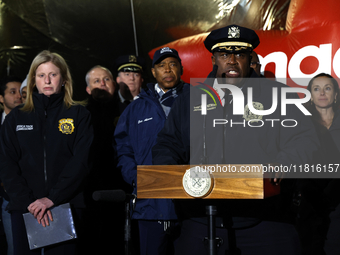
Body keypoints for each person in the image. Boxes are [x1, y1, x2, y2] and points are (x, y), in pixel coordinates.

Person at [152, 25, 319, 255]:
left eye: (239, 54)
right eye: (224, 54)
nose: (232, 61)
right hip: (198, 221)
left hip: (264, 222)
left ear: (249, 58)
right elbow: (167, 144)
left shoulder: (278, 96)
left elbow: (306, 139)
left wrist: (285, 160)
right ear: (214, 59)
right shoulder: (188, 99)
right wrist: (170, 173)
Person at [0, 50, 93, 255]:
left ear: (64, 79)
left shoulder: (79, 114)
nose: (47, 80)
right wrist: (29, 203)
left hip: (63, 206)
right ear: (34, 80)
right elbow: (6, 163)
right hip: (25, 208)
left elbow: (81, 161)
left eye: (53, 74)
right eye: (41, 75)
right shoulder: (16, 118)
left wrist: (52, 198)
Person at [114, 47, 189, 255]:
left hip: (191, 204)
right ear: (153, 72)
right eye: (161, 65)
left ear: (181, 69)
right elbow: (123, 147)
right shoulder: (135, 109)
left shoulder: (198, 101)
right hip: (150, 204)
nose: (168, 69)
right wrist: (135, 177)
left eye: (173, 64)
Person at [83, 65, 128, 255]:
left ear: (115, 85)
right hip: (87, 189)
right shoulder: (80, 115)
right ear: (87, 89)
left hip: (120, 186)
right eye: (96, 81)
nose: (102, 84)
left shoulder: (127, 111)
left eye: (106, 79)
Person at [296, 73, 340, 255]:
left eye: (327, 88)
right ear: (310, 95)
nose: (322, 93)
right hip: (309, 202)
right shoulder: (298, 124)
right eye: (316, 89)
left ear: (336, 95)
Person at [0, 76, 22, 255]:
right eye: (12, 92)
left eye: (21, 92)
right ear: (1, 98)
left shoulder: (31, 122)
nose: (18, 97)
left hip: (19, 197)